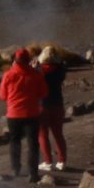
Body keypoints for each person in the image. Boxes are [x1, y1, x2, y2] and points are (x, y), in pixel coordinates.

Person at [0, 47, 47, 181]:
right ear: (29, 61)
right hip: (31, 113)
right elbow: (43, 93)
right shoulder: (36, 75)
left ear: (15, 61)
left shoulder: (8, 75)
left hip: (14, 114)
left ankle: (15, 169)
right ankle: (33, 173)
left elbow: (2, 96)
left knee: (15, 142)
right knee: (32, 144)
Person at [35, 45, 71, 176]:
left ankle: (48, 162)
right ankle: (62, 162)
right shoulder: (60, 70)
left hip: (42, 105)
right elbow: (62, 66)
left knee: (42, 134)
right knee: (58, 134)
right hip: (57, 104)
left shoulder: (40, 70)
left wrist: (34, 67)